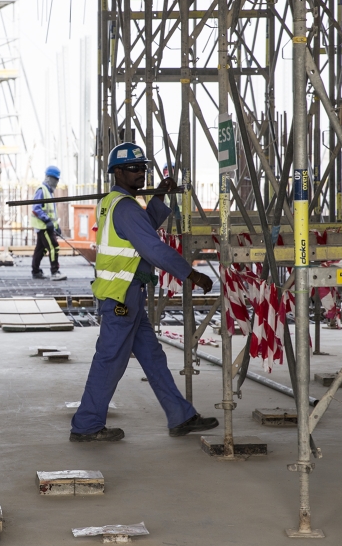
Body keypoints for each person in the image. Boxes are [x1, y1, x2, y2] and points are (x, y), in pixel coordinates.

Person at [70, 142, 218, 442]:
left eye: (143, 168)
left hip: (128, 295)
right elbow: (152, 248)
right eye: (134, 168)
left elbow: (143, 228)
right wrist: (191, 274)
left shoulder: (114, 202)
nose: (141, 173)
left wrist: (159, 196)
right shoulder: (125, 208)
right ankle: (86, 425)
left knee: (152, 357)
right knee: (110, 361)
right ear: (118, 172)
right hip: (121, 297)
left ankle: (180, 416)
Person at [31, 165, 67, 281]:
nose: (56, 182)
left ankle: (36, 271)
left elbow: (51, 213)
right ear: (49, 178)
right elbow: (36, 208)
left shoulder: (48, 191)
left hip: (46, 226)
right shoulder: (42, 190)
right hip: (44, 226)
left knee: (40, 249)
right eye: (55, 179)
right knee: (53, 247)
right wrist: (46, 220)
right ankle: (54, 272)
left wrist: (56, 226)